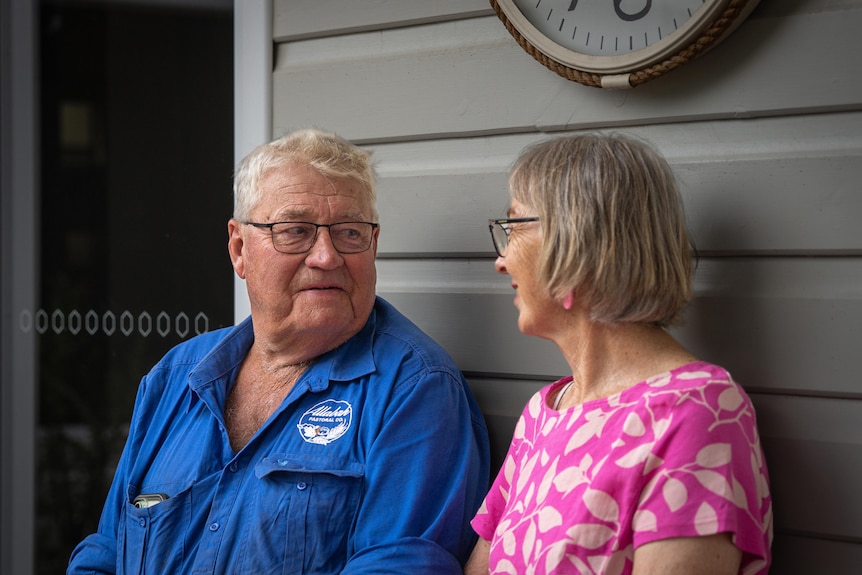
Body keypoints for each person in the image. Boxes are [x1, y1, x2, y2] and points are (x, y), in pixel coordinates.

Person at [67, 128, 490, 574]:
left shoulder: (413, 390)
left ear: (374, 244)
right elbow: (108, 551)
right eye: (295, 231)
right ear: (239, 249)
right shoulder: (176, 377)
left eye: (349, 232)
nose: (326, 256)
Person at [464, 133, 772, 575]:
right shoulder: (543, 414)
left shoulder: (695, 412)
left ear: (576, 242)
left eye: (513, 227)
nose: (502, 259)